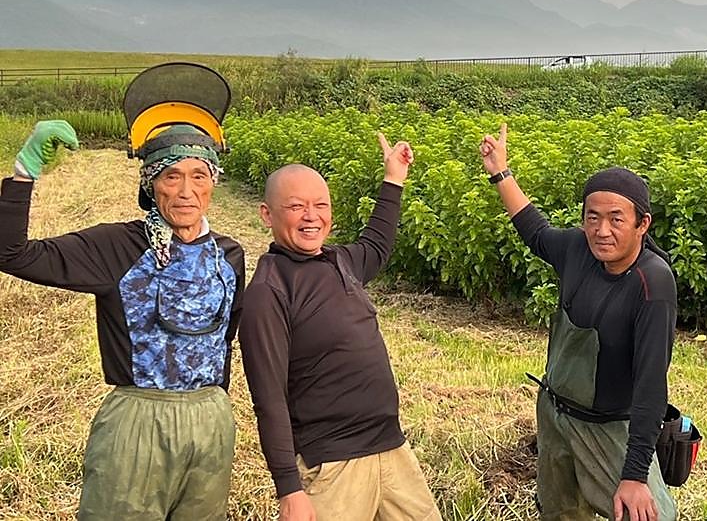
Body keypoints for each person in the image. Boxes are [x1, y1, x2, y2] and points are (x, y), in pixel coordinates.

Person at [0, 120, 245, 520]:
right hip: (137, 423)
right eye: (172, 176)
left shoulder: (229, 255)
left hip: (210, 422)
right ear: (151, 184)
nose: (186, 191)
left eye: (199, 176)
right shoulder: (117, 246)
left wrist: (218, 410)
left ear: (213, 183)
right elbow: (11, 254)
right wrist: (24, 173)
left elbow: (225, 339)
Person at [479, 123, 677, 521]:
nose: (602, 231)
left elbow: (651, 386)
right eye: (593, 218)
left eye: (616, 219)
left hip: (609, 427)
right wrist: (500, 171)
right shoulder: (577, 248)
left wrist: (635, 475)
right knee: (561, 512)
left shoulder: (652, 283)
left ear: (642, 224)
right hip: (555, 415)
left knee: (653, 515)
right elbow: (535, 231)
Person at [240, 133, 441, 521]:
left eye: (320, 205)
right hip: (332, 465)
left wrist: (393, 178)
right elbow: (269, 399)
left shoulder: (340, 261)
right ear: (267, 215)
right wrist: (289, 489)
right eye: (296, 206)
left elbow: (377, 244)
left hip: (391, 449)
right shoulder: (269, 290)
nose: (311, 216)